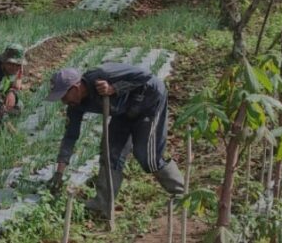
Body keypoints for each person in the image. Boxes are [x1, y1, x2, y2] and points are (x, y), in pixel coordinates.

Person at [45, 63, 185, 215]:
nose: (63, 101)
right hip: (123, 112)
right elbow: (70, 136)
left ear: (75, 87)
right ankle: (103, 204)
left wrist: (115, 88)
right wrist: (59, 173)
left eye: (64, 96)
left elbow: (146, 76)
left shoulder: (102, 74)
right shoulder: (75, 105)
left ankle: (182, 193)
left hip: (149, 101)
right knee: (110, 154)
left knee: (147, 157)